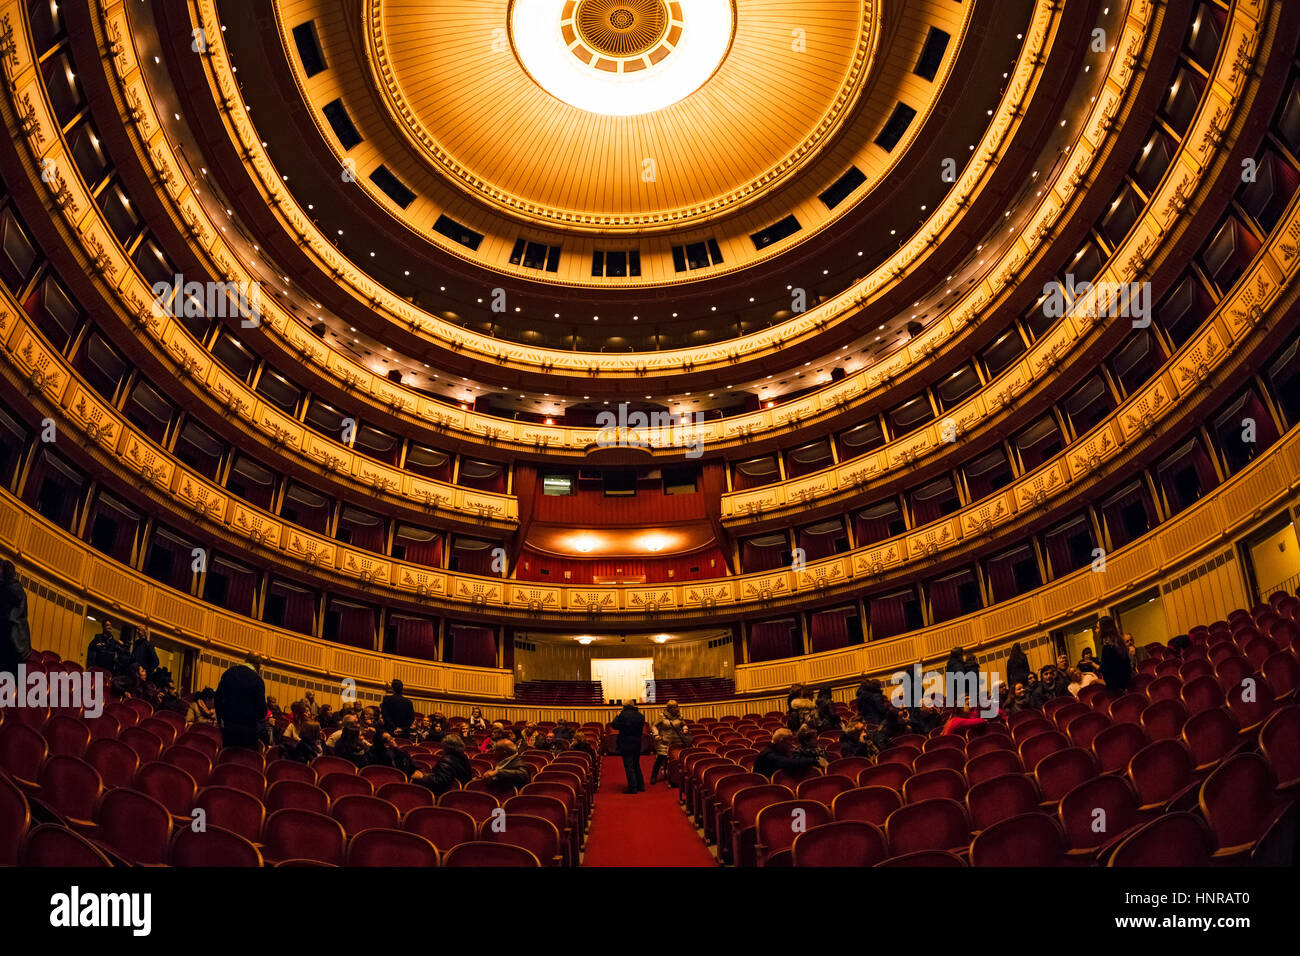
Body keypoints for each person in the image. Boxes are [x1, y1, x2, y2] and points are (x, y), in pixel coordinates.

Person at [215, 654, 267, 750]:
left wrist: (220, 721)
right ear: (258, 666)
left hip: (228, 727)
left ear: (246, 660)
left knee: (227, 758)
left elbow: (217, 699)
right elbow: (262, 711)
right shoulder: (258, 680)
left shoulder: (229, 673)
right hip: (248, 732)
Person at [0, 560, 31, 677]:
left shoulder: (6, 591)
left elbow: (8, 619)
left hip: (9, 646)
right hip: (21, 647)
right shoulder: (19, 590)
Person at [651, 700, 690, 785]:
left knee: (677, 760)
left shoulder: (680, 716)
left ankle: (676, 778)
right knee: (659, 760)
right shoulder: (662, 716)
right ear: (669, 708)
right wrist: (656, 735)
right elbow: (654, 726)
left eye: (676, 707)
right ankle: (653, 777)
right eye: (674, 707)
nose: (676, 709)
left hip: (677, 741)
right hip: (664, 742)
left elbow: (683, 724)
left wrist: (685, 728)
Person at [611, 701, 646, 793]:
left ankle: (633, 788)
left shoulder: (622, 715)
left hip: (625, 742)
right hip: (637, 742)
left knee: (629, 766)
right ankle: (641, 786)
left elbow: (614, 725)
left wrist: (617, 716)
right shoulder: (640, 715)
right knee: (636, 764)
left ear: (624, 706)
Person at [753, 728, 819, 778]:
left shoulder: (779, 750)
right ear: (782, 741)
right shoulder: (767, 754)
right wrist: (815, 760)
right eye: (790, 741)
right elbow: (790, 763)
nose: (792, 744)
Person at [1098, 617, 1133, 692]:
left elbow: (1108, 672)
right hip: (1127, 685)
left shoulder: (1107, 647)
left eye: (1097, 628)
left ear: (1104, 629)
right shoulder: (1119, 643)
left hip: (1117, 690)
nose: (1096, 630)